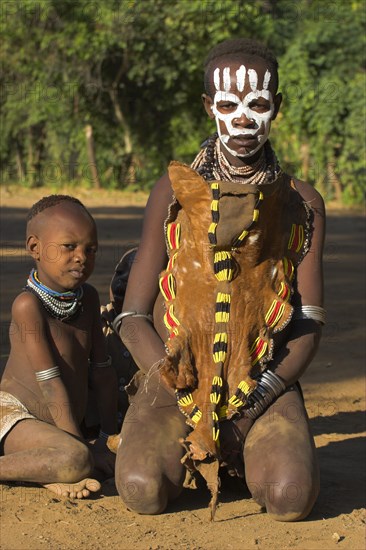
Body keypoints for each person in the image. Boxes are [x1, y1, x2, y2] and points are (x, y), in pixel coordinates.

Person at [114, 38, 326, 521]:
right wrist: (181, 391)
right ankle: (190, 446)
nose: (244, 119)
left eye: (258, 104)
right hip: (177, 378)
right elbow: (130, 315)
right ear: (210, 107)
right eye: (228, 104)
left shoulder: (301, 201)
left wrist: (248, 408)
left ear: (277, 108)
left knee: (291, 498)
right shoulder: (173, 190)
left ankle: (241, 452)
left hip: (260, 381)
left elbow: (310, 321)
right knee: (141, 489)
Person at [0, 195, 118, 499]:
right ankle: (57, 465)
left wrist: (106, 439)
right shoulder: (28, 306)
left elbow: (102, 373)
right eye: (69, 246)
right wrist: (85, 453)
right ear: (34, 248)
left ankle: (47, 472)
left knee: (113, 453)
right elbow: (50, 385)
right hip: (18, 416)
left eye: (89, 250)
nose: (81, 257)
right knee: (75, 460)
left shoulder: (88, 298)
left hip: (62, 425)